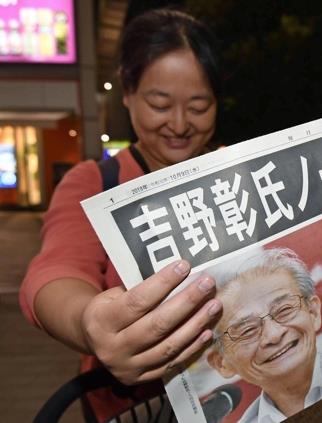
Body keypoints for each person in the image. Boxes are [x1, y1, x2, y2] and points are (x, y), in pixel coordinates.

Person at [20, 8, 223, 422]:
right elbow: (55, 270)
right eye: (160, 104)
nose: (180, 125)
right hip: (133, 408)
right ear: (128, 93)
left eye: (199, 106)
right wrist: (88, 321)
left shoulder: (236, 171)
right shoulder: (95, 182)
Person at [206, 248, 322, 423]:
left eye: (284, 310)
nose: (274, 335)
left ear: (313, 312)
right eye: (247, 330)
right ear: (222, 363)